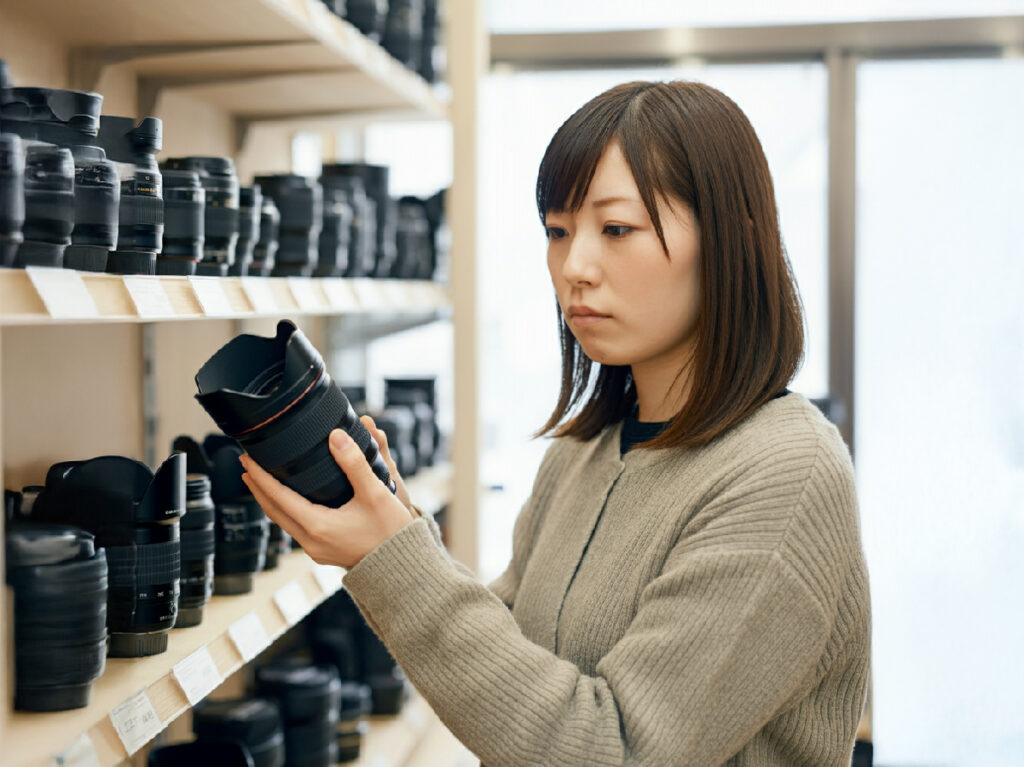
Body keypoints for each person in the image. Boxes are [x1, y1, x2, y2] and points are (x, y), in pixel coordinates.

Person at [241, 80, 871, 767]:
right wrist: (393, 526)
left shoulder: (785, 470)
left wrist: (394, 559)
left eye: (617, 229)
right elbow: (516, 677)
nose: (574, 267)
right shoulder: (582, 453)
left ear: (731, 240)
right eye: (558, 231)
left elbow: (617, 749)